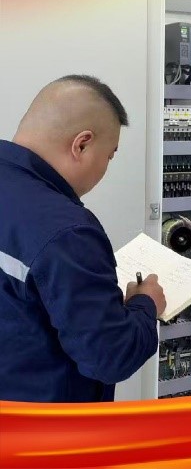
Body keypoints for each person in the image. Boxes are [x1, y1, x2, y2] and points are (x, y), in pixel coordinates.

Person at [0, 75, 167, 402]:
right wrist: (146, 304)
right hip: (48, 425)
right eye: (110, 156)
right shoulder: (67, 232)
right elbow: (111, 357)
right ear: (82, 144)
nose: (105, 168)